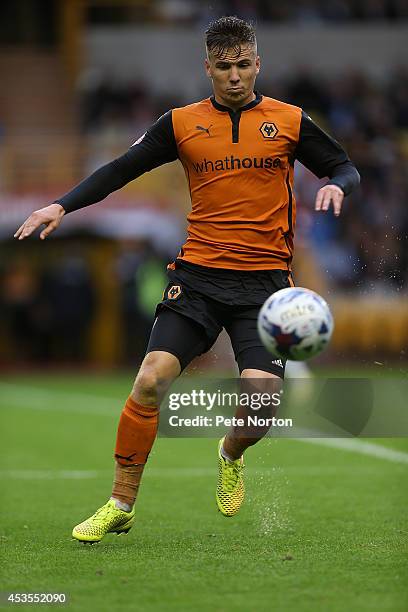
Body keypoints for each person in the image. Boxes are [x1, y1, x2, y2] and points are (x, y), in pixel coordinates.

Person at [14, 16, 360, 543]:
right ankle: (120, 502)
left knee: (260, 407)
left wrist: (337, 185)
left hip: (263, 289)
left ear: (257, 63)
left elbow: (343, 166)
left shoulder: (288, 121)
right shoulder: (180, 123)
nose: (236, 76)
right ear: (208, 68)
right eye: (225, 67)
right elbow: (121, 169)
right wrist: (62, 204)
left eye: (244, 65)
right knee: (151, 378)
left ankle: (229, 452)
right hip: (197, 278)